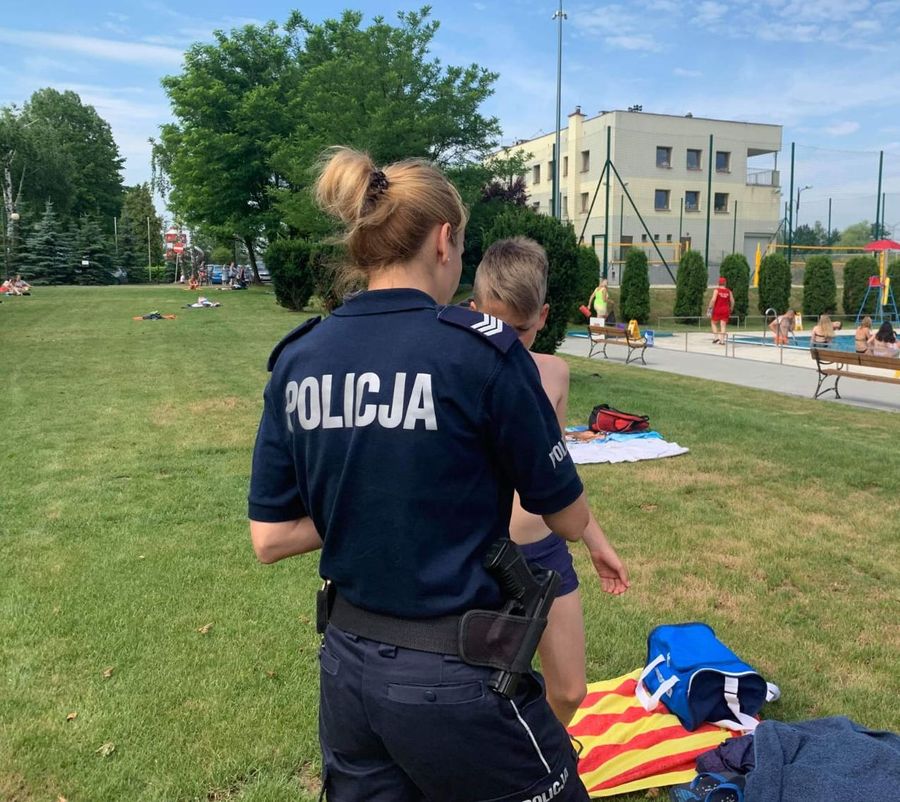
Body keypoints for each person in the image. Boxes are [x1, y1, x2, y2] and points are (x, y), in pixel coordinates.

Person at [248, 147, 591, 801]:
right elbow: (567, 518)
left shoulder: (300, 359)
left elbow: (268, 537)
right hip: (459, 676)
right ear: (443, 241)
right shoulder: (480, 352)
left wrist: (372, 493)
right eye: (461, 248)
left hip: (348, 669)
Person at [471, 237, 629, 726]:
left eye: (519, 330)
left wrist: (596, 541)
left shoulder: (554, 374)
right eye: (495, 326)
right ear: (475, 311)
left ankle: (547, 764)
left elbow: (556, 471)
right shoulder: (455, 372)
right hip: (481, 556)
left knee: (570, 689)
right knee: (481, 693)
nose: (507, 341)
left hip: (543, 550)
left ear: (542, 316)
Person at [708, 277, 734, 344]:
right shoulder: (729, 291)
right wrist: (731, 308)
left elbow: (713, 300)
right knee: (723, 325)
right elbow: (732, 301)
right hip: (726, 310)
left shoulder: (716, 290)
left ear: (718, 283)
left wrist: (710, 308)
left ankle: (716, 338)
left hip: (718, 309)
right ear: (725, 283)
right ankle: (722, 341)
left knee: (713, 322)